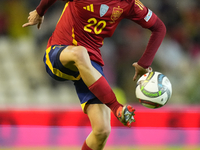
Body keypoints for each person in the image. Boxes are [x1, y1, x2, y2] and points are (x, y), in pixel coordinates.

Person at [23, 0, 166, 149]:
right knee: (80, 52)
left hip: (91, 64)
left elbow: (159, 28)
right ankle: (116, 107)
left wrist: (144, 63)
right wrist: (40, 11)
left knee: (102, 130)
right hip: (60, 53)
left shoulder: (128, 3)